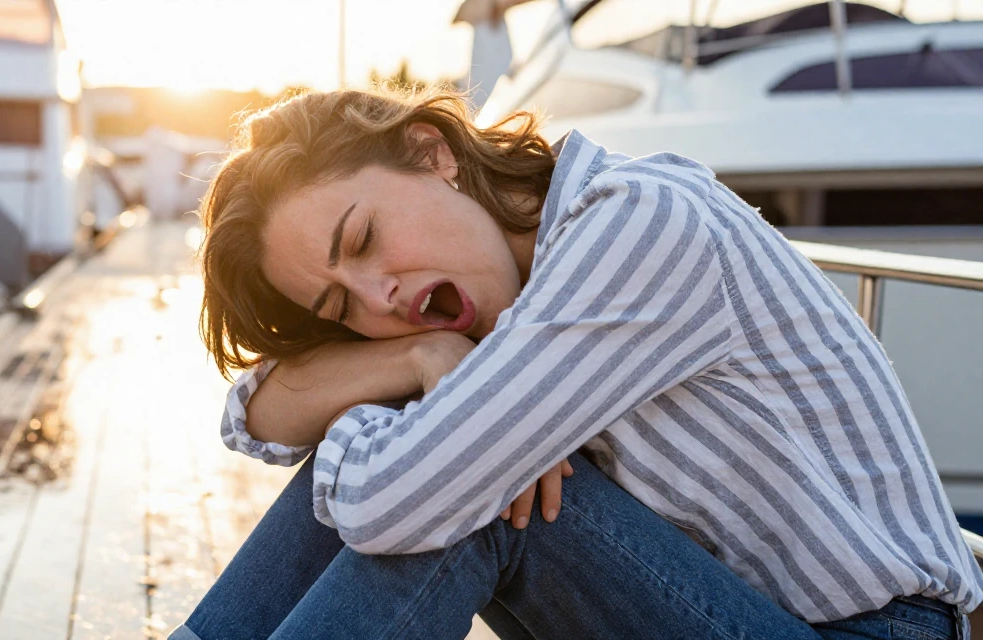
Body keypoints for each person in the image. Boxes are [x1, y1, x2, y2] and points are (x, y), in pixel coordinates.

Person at [169, 87, 982, 639]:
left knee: (469, 494)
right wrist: (422, 355)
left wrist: (377, 421)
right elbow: (258, 412)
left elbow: (393, 504)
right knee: (446, 459)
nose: (378, 297)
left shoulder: (636, 227)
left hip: (876, 630)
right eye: (339, 310)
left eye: (363, 240)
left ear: (431, 153)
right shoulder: (476, 303)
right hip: (732, 612)